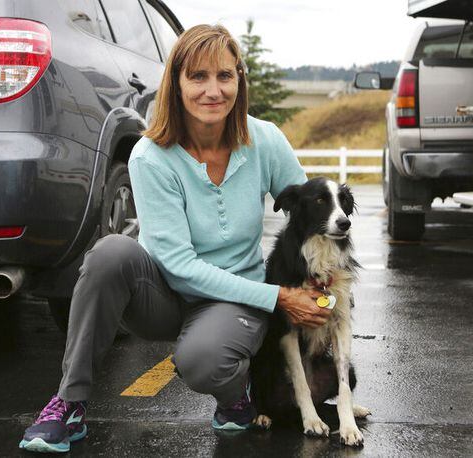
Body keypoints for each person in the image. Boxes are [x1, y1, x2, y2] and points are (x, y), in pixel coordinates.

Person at [19, 24, 332, 453]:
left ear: (240, 80)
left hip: (233, 299)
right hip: (163, 293)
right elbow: (179, 266)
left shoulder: (265, 141)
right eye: (198, 77)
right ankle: (68, 404)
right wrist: (278, 296)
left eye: (224, 76)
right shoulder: (151, 155)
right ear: (177, 83)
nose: (213, 90)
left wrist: (322, 284)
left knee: (202, 362)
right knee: (111, 252)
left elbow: (309, 212)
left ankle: (233, 398)